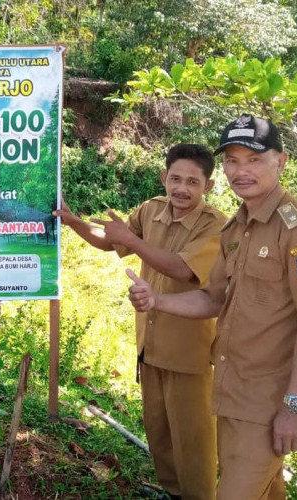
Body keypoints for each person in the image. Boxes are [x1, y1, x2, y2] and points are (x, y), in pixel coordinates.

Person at [127, 115, 297, 499]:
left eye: (254, 159)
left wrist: (295, 407)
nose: (240, 171)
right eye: (232, 160)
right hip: (230, 391)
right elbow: (212, 299)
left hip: (267, 404)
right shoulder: (235, 228)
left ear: (280, 163)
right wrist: (157, 300)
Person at [54, 144, 227, 500]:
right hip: (150, 345)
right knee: (159, 430)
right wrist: (74, 222)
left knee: (193, 441)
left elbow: (182, 268)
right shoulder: (151, 209)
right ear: (164, 177)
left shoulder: (216, 226)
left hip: (189, 354)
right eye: (175, 178)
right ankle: (171, 491)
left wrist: (131, 239)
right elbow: (111, 241)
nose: (182, 188)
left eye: (192, 182)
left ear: (207, 187)